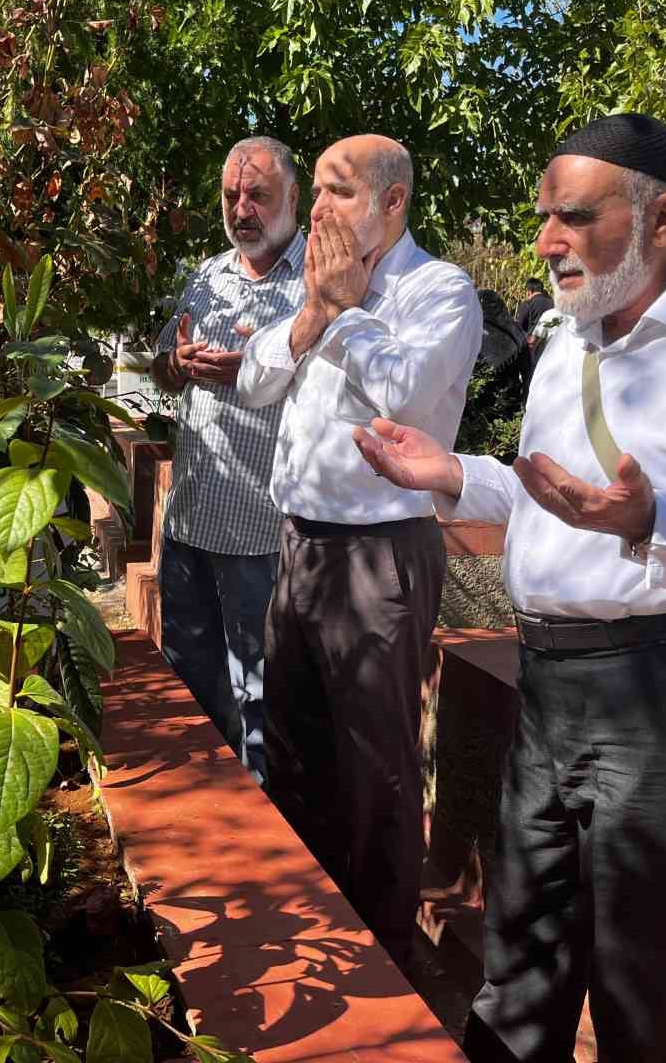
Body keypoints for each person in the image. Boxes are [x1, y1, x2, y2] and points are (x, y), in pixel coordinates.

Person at [353, 113, 666, 1062]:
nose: (545, 240)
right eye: (544, 215)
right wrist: (453, 474)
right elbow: (557, 502)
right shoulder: (568, 346)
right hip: (546, 690)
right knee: (518, 978)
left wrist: (655, 522)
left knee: (649, 998)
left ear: (662, 217)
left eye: (574, 216)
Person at [237, 134, 482, 968]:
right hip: (299, 547)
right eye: (318, 195)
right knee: (295, 751)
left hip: (380, 559)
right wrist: (310, 314)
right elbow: (253, 380)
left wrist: (343, 312)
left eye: (338, 192)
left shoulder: (439, 291)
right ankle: (311, 939)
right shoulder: (316, 282)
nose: (318, 211)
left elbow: (406, 392)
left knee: (376, 771)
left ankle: (384, 962)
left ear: (392, 202)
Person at [150, 135, 306, 785]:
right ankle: (201, 825)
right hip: (187, 526)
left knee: (258, 708)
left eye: (258, 196)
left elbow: (342, 392)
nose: (242, 208)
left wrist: (256, 369)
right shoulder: (206, 276)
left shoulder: (318, 289)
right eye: (231, 195)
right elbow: (160, 370)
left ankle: (264, 848)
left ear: (293, 200)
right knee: (187, 693)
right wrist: (176, 365)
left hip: (261, 537)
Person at [514, 276, 555, 387]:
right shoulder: (553, 303)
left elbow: (518, 327)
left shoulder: (528, 304)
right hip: (553, 346)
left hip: (532, 347)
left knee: (530, 381)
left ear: (529, 291)